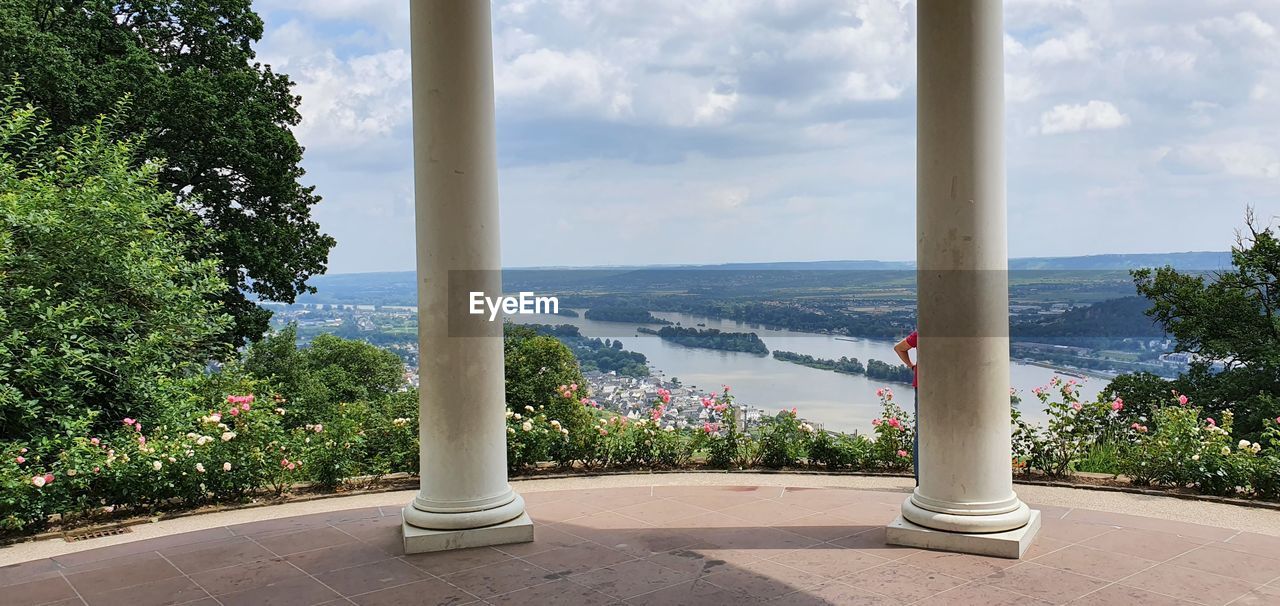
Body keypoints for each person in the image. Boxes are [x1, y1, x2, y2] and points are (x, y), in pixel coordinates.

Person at [893, 330, 918, 485]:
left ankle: (920, 480)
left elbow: (899, 348)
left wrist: (911, 366)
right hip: (948, 385)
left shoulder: (922, 332)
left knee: (921, 432)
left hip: (922, 383)